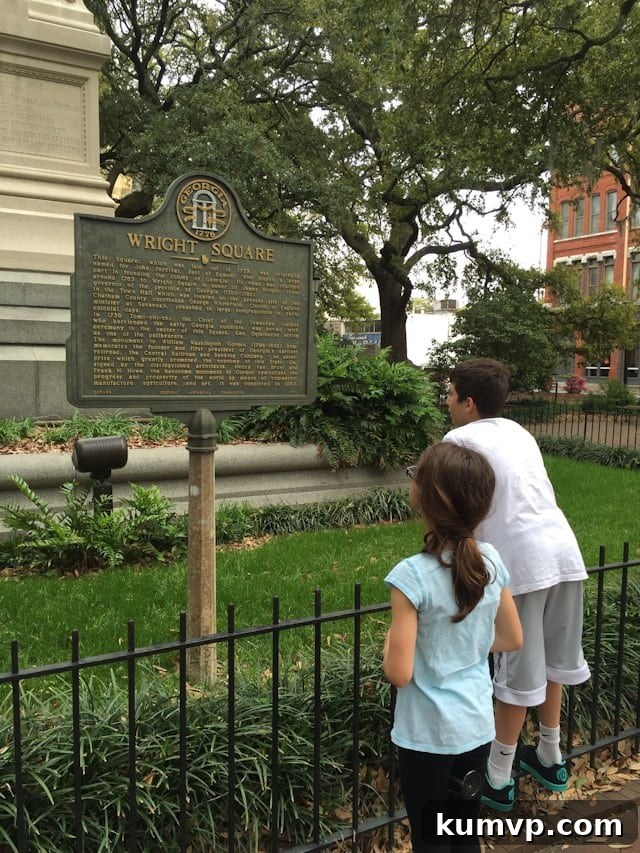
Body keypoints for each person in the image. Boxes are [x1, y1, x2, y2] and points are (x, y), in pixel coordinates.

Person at [443, 357, 591, 812]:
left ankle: (498, 777)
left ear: (468, 402)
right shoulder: (519, 432)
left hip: (521, 564)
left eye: (450, 394)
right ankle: (550, 756)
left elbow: (452, 506)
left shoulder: (458, 440)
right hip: (564, 554)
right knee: (552, 663)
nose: (447, 402)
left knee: (516, 674)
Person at [383, 441, 522, 852]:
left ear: (428, 498)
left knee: (430, 841)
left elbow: (398, 672)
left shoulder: (411, 576)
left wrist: (390, 641)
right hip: (476, 726)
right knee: (463, 837)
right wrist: (467, 643)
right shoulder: (490, 560)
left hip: (426, 737)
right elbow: (512, 637)